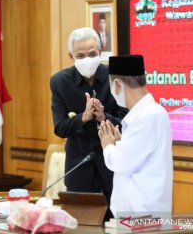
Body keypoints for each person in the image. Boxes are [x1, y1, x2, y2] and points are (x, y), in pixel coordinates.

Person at [50, 27, 127, 208]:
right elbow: (60, 128)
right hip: (79, 168)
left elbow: (127, 123)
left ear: (100, 52)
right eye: (81, 56)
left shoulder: (116, 77)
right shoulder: (60, 82)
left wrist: (103, 117)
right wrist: (83, 118)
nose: (87, 60)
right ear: (71, 57)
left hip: (114, 168)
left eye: (92, 54)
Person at [98, 55, 173, 219]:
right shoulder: (147, 114)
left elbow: (122, 163)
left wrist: (108, 146)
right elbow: (137, 157)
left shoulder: (148, 116)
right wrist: (120, 145)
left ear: (117, 84)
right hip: (136, 216)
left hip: (144, 215)